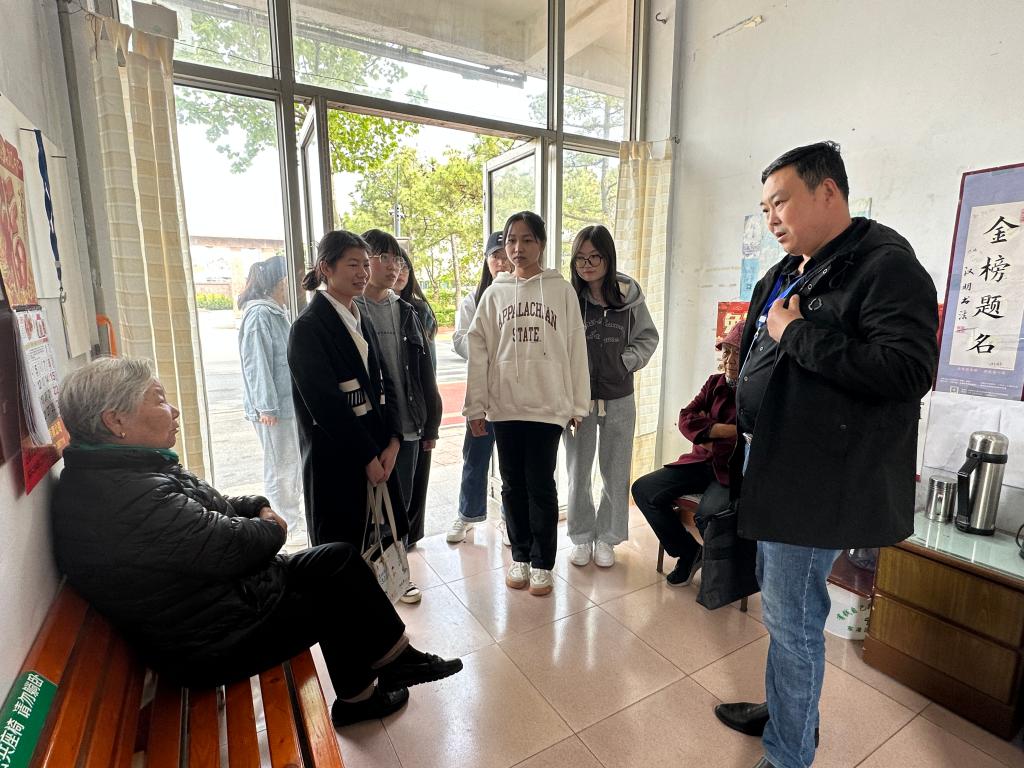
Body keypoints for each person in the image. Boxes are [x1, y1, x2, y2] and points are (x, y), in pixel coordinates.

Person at [51, 357, 463, 728]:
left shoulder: (125, 472)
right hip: (211, 642)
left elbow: (211, 510)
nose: (173, 410)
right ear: (115, 421)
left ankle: (391, 664)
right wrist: (272, 525)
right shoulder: (125, 495)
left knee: (337, 559)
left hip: (219, 604)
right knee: (337, 596)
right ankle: (366, 693)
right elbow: (233, 546)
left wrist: (256, 505)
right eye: (159, 401)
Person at [713, 142, 938, 768]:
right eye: (764, 208)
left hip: (817, 480)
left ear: (828, 192)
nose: (771, 218)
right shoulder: (801, 267)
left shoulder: (884, 266)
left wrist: (794, 333)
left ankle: (789, 753)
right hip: (775, 463)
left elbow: (906, 371)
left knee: (793, 620)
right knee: (780, 608)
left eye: (780, 202)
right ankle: (785, 712)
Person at [463, 211, 590, 596]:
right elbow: (478, 352)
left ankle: (542, 563)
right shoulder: (495, 293)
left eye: (527, 239)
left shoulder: (561, 291)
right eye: (511, 240)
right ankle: (519, 556)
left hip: (548, 406)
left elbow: (576, 347)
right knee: (512, 485)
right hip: (505, 406)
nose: (517, 248)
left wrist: (578, 404)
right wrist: (475, 406)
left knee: (541, 485)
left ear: (542, 244)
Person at [288, 230, 406, 557]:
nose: (363, 273)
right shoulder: (308, 327)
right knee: (341, 553)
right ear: (326, 268)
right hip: (338, 460)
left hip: (377, 451)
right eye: (353, 265)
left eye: (366, 265)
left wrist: (394, 440)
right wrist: (367, 456)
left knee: (378, 547)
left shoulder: (357, 315)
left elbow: (384, 380)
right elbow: (326, 406)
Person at [565, 225, 659, 568]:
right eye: (580, 258)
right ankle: (581, 536)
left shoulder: (628, 296)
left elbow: (648, 337)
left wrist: (625, 362)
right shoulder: (569, 298)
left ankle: (607, 537)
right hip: (578, 401)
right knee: (578, 471)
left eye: (595, 257)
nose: (587, 264)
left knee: (615, 471)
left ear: (608, 258)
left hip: (619, 397)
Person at [355, 230, 442, 603]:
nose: (393, 266)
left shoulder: (407, 311)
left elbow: (425, 373)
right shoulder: (351, 309)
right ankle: (368, 581)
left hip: (408, 427)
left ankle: (398, 576)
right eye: (384, 257)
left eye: (398, 259)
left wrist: (431, 423)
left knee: (400, 507)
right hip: (369, 429)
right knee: (366, 511)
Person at [631, 322, 741, 584]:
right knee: (643, 490)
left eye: (738, 352)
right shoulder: (714, 382)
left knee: (708, 515)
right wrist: (727, 431)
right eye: (726, 352)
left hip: (731, 472)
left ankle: (723, 577)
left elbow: (750, 438)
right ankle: (689, 552)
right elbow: (685, 418)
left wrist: (707, 433)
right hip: (699, 463)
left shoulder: (757, 391)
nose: (730, 360)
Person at [447, 232, 512, 546]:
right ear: (487, 261)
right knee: (475, 458)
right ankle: (467, 515)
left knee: (512, 465)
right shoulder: (472, 300)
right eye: (494, 256)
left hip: (514, 396)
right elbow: (461, 341)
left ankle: (511, 520)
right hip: (482, 397)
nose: (501, 261)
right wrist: (490, 349)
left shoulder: (521, 296)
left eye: (505, 255)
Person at [238, 255, 306, 549]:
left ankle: (293, 519)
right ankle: (286, 526)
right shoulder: (259, 315)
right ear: (282, 281)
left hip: (287, 405)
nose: (300, 284)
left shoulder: (278, 312)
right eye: (296, 277)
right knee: (280, 467)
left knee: (291, 465)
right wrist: (266, 406)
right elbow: (256, 363)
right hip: (274, 409)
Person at [394, 246, 438, 550]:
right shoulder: (366, 307)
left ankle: (409, 538)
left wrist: (431, 416)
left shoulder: (418, 309)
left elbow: (429, 367)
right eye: (390, 263)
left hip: (418, 404)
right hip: (394, 409)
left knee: (416, 477)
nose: (398, 272)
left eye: (404, 266)